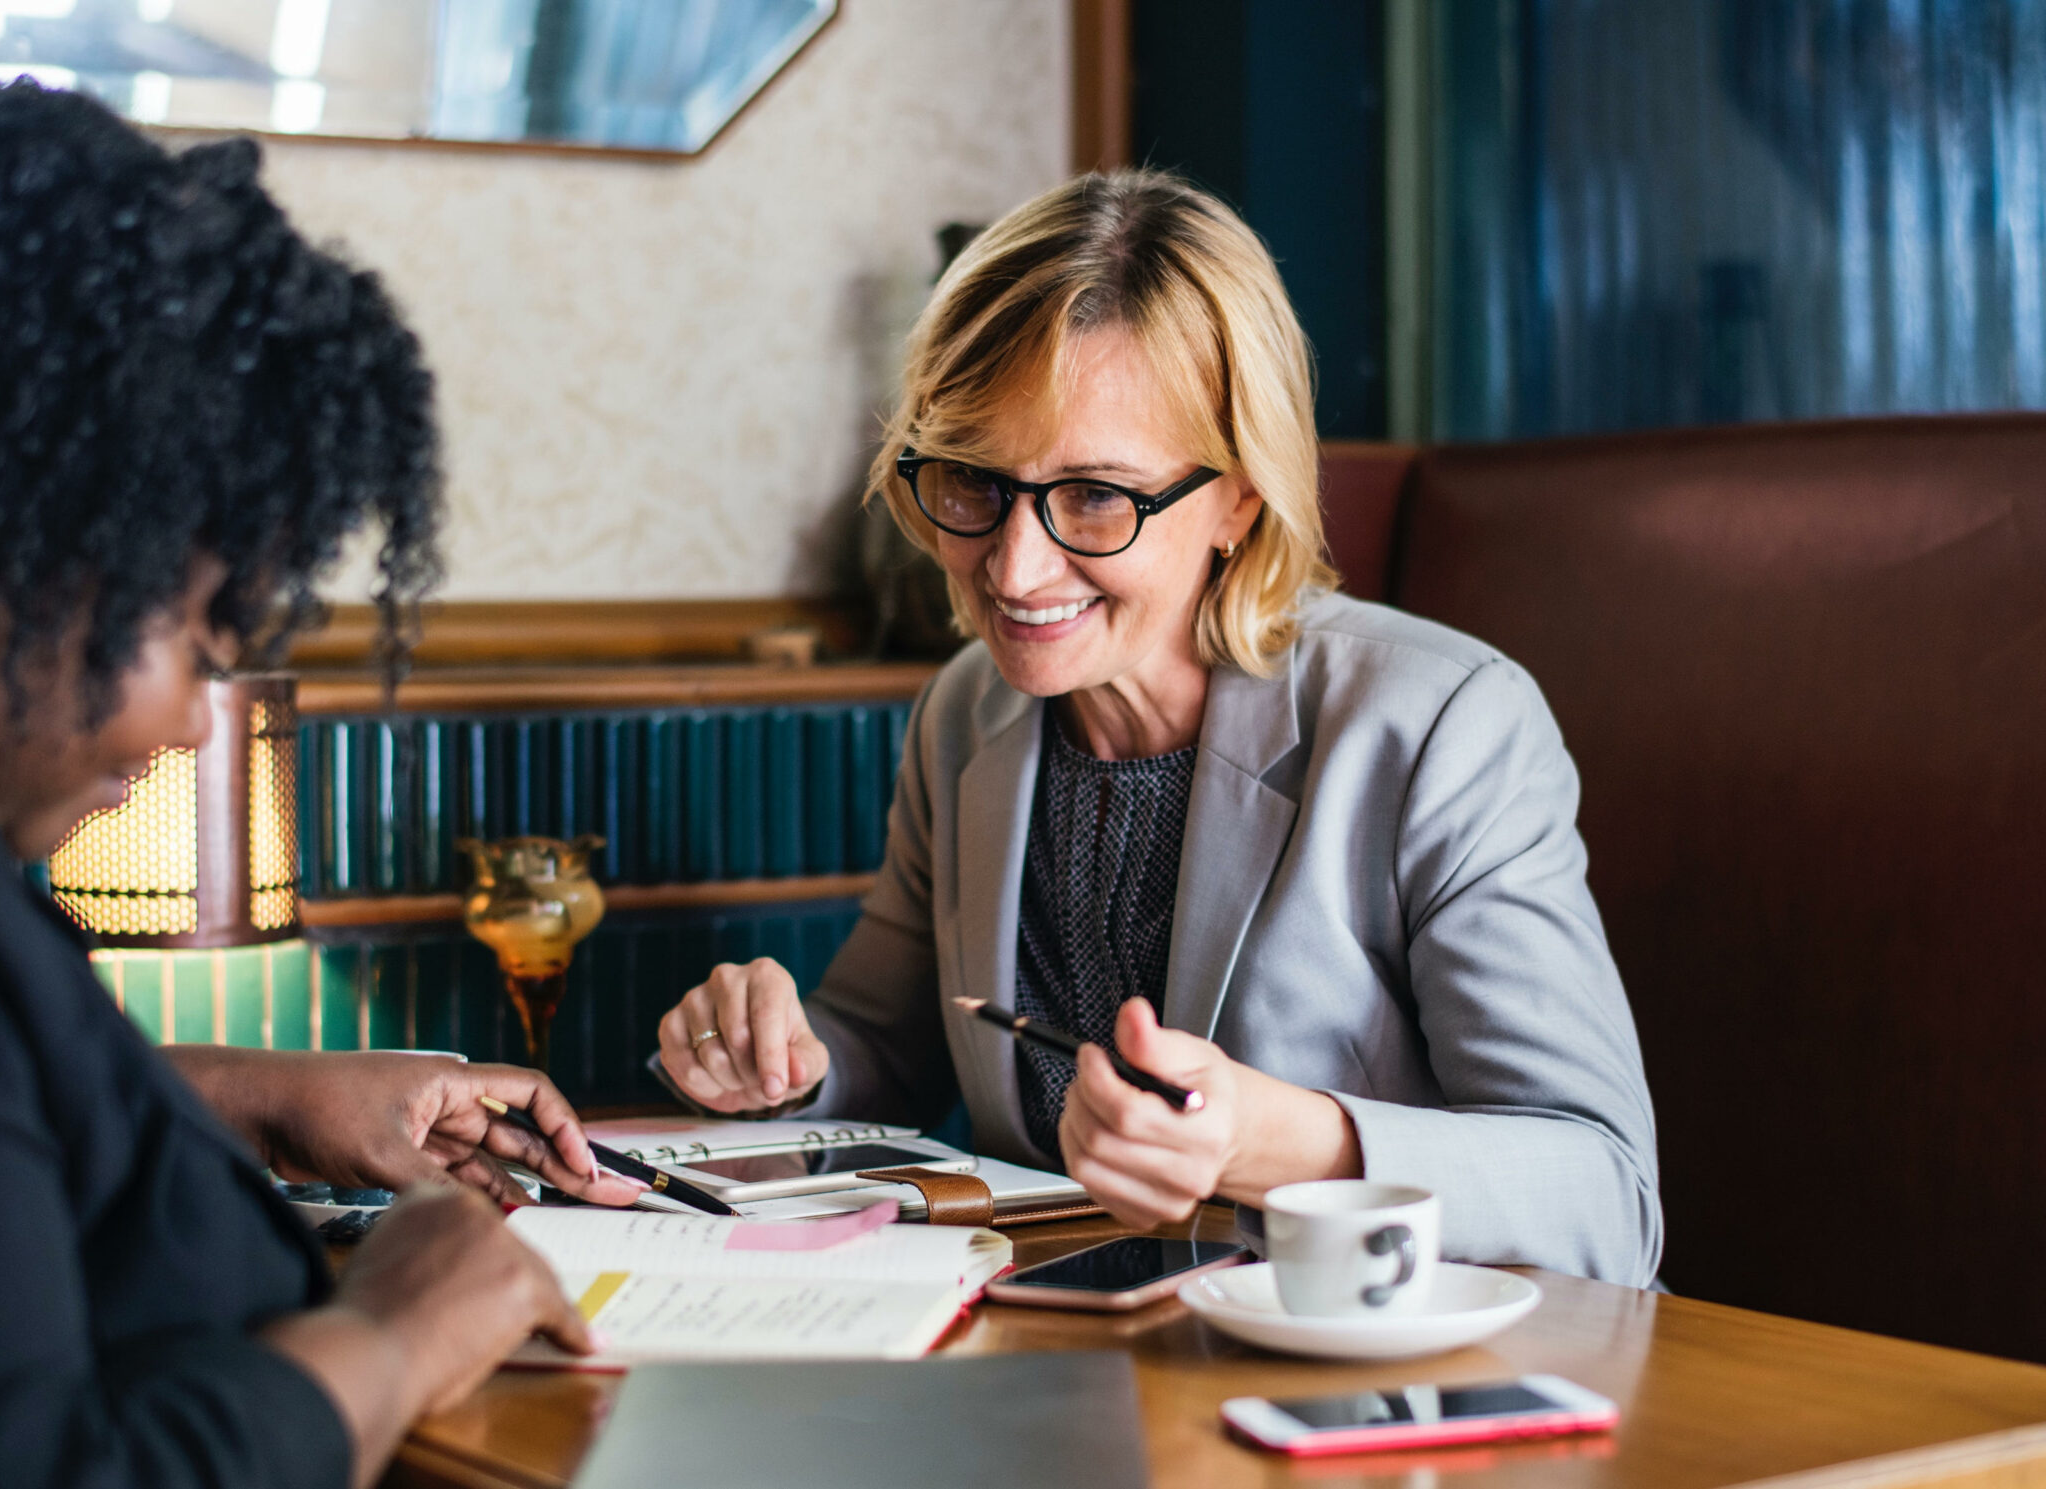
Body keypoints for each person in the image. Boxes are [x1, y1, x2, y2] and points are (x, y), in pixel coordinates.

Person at [0, 80, 643, 1489]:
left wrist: (253, 1092)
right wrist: (395, 1333)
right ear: (4, 547)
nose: (186, 722)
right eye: (198, 631)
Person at [654, 170, 1662, 1283]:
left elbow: (1605, 1197)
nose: (1014, 568)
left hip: (1379, 1402)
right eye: (972, 481)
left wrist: (1271, 1145)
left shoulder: (1439, 726)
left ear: (1239, 496)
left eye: (1094, 495)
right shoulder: (967, 713)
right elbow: (880, 1045)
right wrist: (778, 1059)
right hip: (1063, 1383)